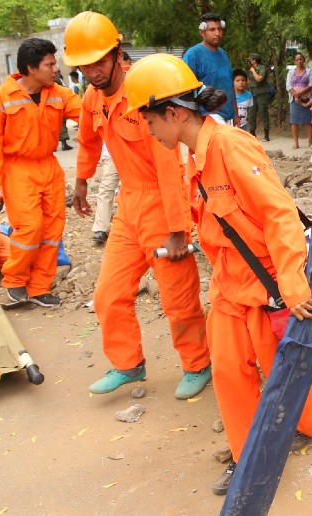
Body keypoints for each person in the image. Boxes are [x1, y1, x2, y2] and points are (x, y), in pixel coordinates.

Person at [120, 53, 312, 495]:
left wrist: (291, 283)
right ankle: (246, 456)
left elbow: (280, 215)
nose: (148, 129)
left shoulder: (231, 147)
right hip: (230, 281)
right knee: (231, 372)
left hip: (267, 280)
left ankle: (307, 428)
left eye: (149, 120)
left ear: (173, 113)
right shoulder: (194, 155)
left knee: (282, 367)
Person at [63, 11, 211, 398]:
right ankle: (128, 364)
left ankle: (198, 363)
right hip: (129, 207)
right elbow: (88, 141)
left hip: (163, 205)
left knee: (177, 298)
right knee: (108, 294)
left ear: (116, 53)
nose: (93, 71)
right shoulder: (93, 97)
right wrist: (82, 180)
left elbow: (170, 169)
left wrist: (179, 230)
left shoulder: (142, 93)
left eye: (98, 61)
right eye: (84, 64)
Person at [0, 38, 81, 306]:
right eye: (50, 64)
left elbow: (88, 114)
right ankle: (14, 281)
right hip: (17, 168)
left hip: (49, 166)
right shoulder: (4, 97)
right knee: (30, 227)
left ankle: (39, 287)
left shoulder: (58, 93)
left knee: (52, 229)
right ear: (31, 69)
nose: (56, 69)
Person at [183, 13, 239, 126]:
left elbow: (230, 86)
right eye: (212, 30)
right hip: (207, 117)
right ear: (202, 32)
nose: (217, 33)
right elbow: (186, 90)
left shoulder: (224, 55)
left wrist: (236, 114)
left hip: (228, 117)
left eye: (219, 29)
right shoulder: (193, 55)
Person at [90, 144, 119, 244]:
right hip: (111, 154)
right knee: (106, 189)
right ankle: (101, 229)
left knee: (134, 188)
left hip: (135, 154)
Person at [286, 52, 312, 149]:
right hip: (294, 100)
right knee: (294, 121)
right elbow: (288, 86)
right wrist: (296, 95)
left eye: (301, 59)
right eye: (297, 59)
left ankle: (310, 142)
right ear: (295, 61)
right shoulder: (291, 72)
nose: (299, 61)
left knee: (309, 121)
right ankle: (296, 142)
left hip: (307, 99)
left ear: (304, 60)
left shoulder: (309, 71)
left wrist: (299, 94)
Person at [246, 53, 271, 141]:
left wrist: (253, 71)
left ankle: (266, 133)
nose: (249, 61)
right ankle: (252, 133)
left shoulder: (262, 68)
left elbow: (259, 79)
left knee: (263, 112)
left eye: (251, 59)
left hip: (262, 93)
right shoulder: (250, 69)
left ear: (255, 60)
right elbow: (249, 81)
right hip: (253, 93)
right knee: (251, 113)